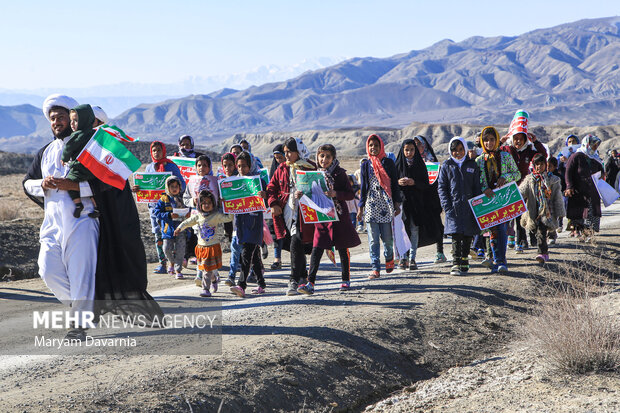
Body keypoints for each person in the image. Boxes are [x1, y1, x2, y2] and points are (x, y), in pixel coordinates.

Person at [23, 94, 162, 340]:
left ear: (72, 119)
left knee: (81, 273)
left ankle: (79, 322)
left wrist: (73, 187)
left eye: (62, 117)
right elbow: (27, 184)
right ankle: (90, 306)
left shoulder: (91, 149)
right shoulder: (44, 152)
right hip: (53, 223)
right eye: (52, 118)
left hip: (83, 220)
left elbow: (109, 184)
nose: (57, 122)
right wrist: (41, 184)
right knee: (47, 270)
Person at [298, 144, 361, 294]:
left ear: (333, 158)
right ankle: (310, 283)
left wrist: (336, 194)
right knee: (317, 248)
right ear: (317, 157)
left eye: (328, 156)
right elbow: (308, 193)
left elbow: (350, 194)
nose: (324, 159)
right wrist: (299, 195)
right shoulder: (312, 175)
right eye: (321, 156)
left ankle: (345, 280)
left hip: (339, 217)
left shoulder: (339, 174)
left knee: (342, 247)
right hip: (322, 216)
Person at [266, 137, 317, 295]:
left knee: (297, 240)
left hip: (304, 213)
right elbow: (271, 188)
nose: (286, 155)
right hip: (286, 212)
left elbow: (318, 189)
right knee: (295, 243)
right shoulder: (282, 168)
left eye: (290, 152)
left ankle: (293, 280)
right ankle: (303, 276)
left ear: (299, 152)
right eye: (285, 152)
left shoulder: (310, 168)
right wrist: (273, 204)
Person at [132, 141, 185, 274]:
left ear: (164, 151)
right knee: (157, 234)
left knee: (171, 235)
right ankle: (162, 263)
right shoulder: (149, 168)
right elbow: (145, 186)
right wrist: (137, 189)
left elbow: (182, 185)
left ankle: (174, 263)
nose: (156, 153)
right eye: (154, 150)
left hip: (169, 208)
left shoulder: (172, 167)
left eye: (159, 150)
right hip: (155, 208)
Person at [499, 112, 547, 253]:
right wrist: (501, 142)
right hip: (508, 186)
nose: (518, 141)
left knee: (520, 214)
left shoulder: (529, 151)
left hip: (523, 187)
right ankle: (510, 239)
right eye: (516, 138)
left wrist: (536, 142)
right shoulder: (507, 149)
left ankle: (522, 241)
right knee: (507, 215)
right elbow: (494, 154)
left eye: (521, 139)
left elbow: (542, 157)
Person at [475, 126, 521, 274]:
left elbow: (517, 174)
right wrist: (484, 188)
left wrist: (505, 178)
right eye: (486, 140)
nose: (489, 143)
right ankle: (496, 260)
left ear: (496, 140)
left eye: (492, 140)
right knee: (492, 230)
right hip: (487, 200)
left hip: (503, 198)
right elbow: (476, 181)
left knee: (501, 229)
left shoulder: (506, 156)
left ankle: (500, 260)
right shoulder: (479, 160)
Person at [357, 134, 402, 279]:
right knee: (372, 239)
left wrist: (396, 203)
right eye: (371, 146)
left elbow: (394, 184)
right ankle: (375, 267)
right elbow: (363, 188)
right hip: (371, 205)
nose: (373, 148)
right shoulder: (365, 165)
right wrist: (360, 208)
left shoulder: (388, 163)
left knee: (387, 239)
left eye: (376, 146)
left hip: (386, 205)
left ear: (381, 146)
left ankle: (389, 258)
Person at [174, 190, 232, 297]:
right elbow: (187, 222)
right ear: (200, 205)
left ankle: (205, 289)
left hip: (212, 247)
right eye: (204, 203)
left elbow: (228, 218)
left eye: (209, 203)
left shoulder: (216, 216)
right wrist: (179, 228)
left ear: (213, 204)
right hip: (201, 248)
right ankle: (214, 280)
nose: (207, 205)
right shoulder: (198, 216)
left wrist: (229, 206)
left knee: (207, 269)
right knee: (206, 269)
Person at [438, 137, 482, 276]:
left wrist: (477, 204)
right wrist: (447, 206)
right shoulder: (447, 165)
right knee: (456, 235)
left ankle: (464, 261)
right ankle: (456, 263)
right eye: (454, 150)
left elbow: (477, 186)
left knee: (468, 234)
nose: (458, 153)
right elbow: (442, 188)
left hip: (470, 207)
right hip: (454, 207)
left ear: (465, 149)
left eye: (460, 149)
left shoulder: (472, 165)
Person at [230, 152, 268, 297]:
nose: (241, 169)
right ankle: (261, 283)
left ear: (250, 165)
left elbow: (266, 200)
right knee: (255, 255)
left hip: (254, 224)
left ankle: (241, 285)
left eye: (244, 166)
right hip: (241, 223)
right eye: (238, 166)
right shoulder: (235, 183)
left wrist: (264, 195)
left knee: (246, 253)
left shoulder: (258, 181)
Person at [519, 154, 565, 263]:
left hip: (547, 211)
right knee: (536, 232)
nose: (539, 166)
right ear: (534, 165)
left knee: (541, 232)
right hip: (533, 211)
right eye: (537, 164)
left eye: (542, 164)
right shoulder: (530, 179)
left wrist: (560, 212)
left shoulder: (553, 180)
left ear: (546, 165)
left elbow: (557, 197)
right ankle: (545, 253)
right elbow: (521, 192)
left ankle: (541, 253)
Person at [184, 155, 219, 286]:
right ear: (196, 167)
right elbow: (185, 197)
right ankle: (201, 271)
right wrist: (191, 201)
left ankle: (213, 273)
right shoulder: (192, 181)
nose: (202, 168)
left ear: (209, 167)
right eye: (199, 165)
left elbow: (220, 198)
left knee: (210, 247)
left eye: (205, 165)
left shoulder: (215, 181)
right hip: (197, 218)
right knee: (201, 245)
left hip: (212, 219)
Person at [395, 138, 429, 270]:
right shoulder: (397, 165)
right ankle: (403, 258)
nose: (409, 152)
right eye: (406, 150)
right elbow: (391, 184)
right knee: (402, 230)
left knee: (414, 229)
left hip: (416, 203)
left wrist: (414, 182)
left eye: (412, 149)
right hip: (401, 202)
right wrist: (398, 182)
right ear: (402, 150)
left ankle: (412, 258)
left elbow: (426, 184)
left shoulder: (420, 165)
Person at [412, 135, 447, 264]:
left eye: (419, 144)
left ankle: (440, 252)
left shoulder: (432, 162)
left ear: (425, 145)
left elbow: (438, 182)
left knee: (436, 225)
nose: (417, 147)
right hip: (416, 200)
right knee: (413, 227)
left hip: (431, 199)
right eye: (414, 144)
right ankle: (410, 257)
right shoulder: (411, 162)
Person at [61, 104, 100, 218]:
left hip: (80, 167)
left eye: (76, 120)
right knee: (92, 187)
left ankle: (78, 204)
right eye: (71, 120)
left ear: (84, 120)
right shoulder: (94, 134)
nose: (72, 124)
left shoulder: (77, 135)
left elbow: (68, 148)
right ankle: (96, 207)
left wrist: (64, 158)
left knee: (69, 182)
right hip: (93, 167)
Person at [565, 135, 605, 241]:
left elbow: (601, 170)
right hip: (579, 191)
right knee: (581, 213)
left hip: (593, 191)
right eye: (593, 145)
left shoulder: (595, 158)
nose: (595, 148)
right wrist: (569, 186)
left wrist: (602, 175)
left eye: (596, 146)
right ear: (587, 144)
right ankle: (581, 232)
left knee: (591, 213)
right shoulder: (576, 156)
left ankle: (588, 235)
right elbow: (568, 172)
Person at [153, 176, 191, 279]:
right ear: (167, 188)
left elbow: (191, 209)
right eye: (171, 186)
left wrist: (189, 214)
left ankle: (178, 270)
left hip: (182, 228)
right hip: (168, 228)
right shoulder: (163, 199)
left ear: (180, 187)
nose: (174, 189)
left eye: (176, 186)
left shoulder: (184, 198)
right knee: (166, 248)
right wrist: (169, 215)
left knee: (180, 249)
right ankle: (171, 263)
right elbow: (156, 212)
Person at [269, 144, 286, 270]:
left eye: (281, 157)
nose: (279, 160)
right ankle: (277, 258)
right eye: (276, 158)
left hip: (289, 204)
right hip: (277, 205)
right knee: (275, 231)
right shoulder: (275, 170)